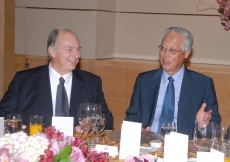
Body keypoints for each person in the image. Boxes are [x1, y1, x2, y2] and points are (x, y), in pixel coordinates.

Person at [0, 28, 114, 132]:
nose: (76, 55)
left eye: (78, 49)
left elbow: (107, 119)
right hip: (36, 149)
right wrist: (10, 126)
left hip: (77, 150)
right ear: (52, 51)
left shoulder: (91, 82)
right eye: (69, 49)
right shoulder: (24, 81)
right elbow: (3, 114)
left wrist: (93, 124)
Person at [125, 27, 221, 139]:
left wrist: (202, 126)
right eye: (163, 48)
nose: (165, 55)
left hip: (183, 148)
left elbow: (215, 127)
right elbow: (132, 117)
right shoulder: (144, 80)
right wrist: (137, 131)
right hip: (149, 145)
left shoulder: (202, 84)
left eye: (172, 51)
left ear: (186, 53)